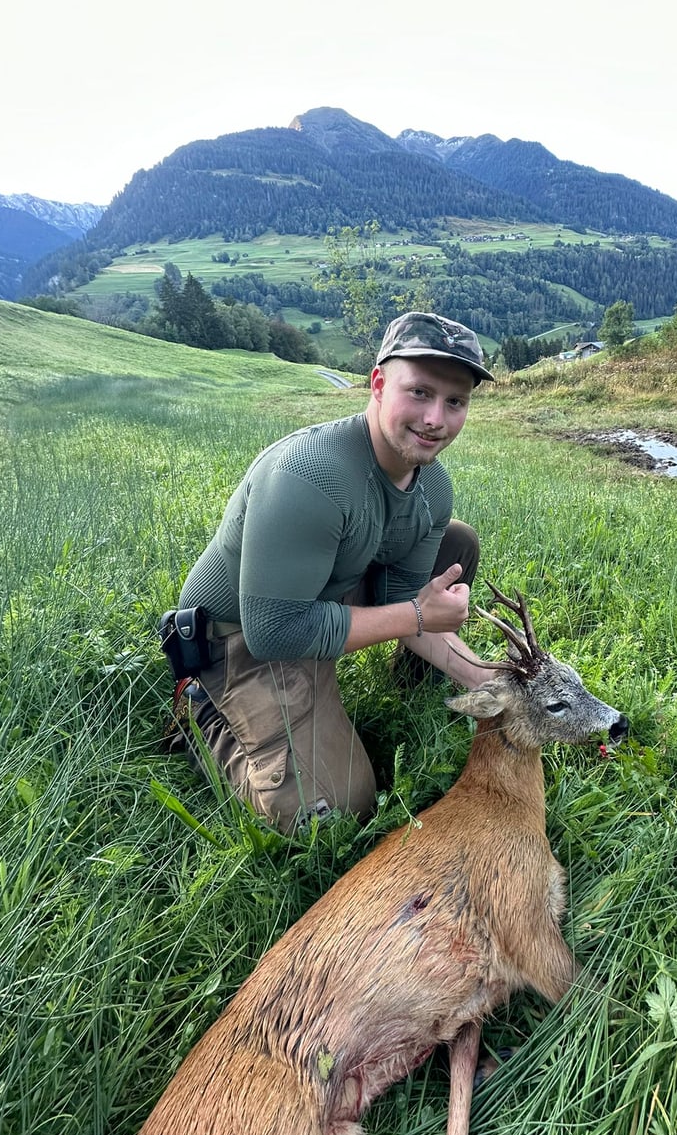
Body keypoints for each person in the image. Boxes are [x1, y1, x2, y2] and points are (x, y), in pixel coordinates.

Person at [167, 311, 496, 834]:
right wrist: (413, 615)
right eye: (420, 393)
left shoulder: (431, 487)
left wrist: (493, 684)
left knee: (456, 543)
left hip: (322, 601)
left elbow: (407, 599)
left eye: (455, 402)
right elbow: (275, 632)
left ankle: (420, 694)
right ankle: (206, 718)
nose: (436, 418)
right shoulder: (311, 475)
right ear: (379, 383)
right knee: (333, 816)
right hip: (240, 638)